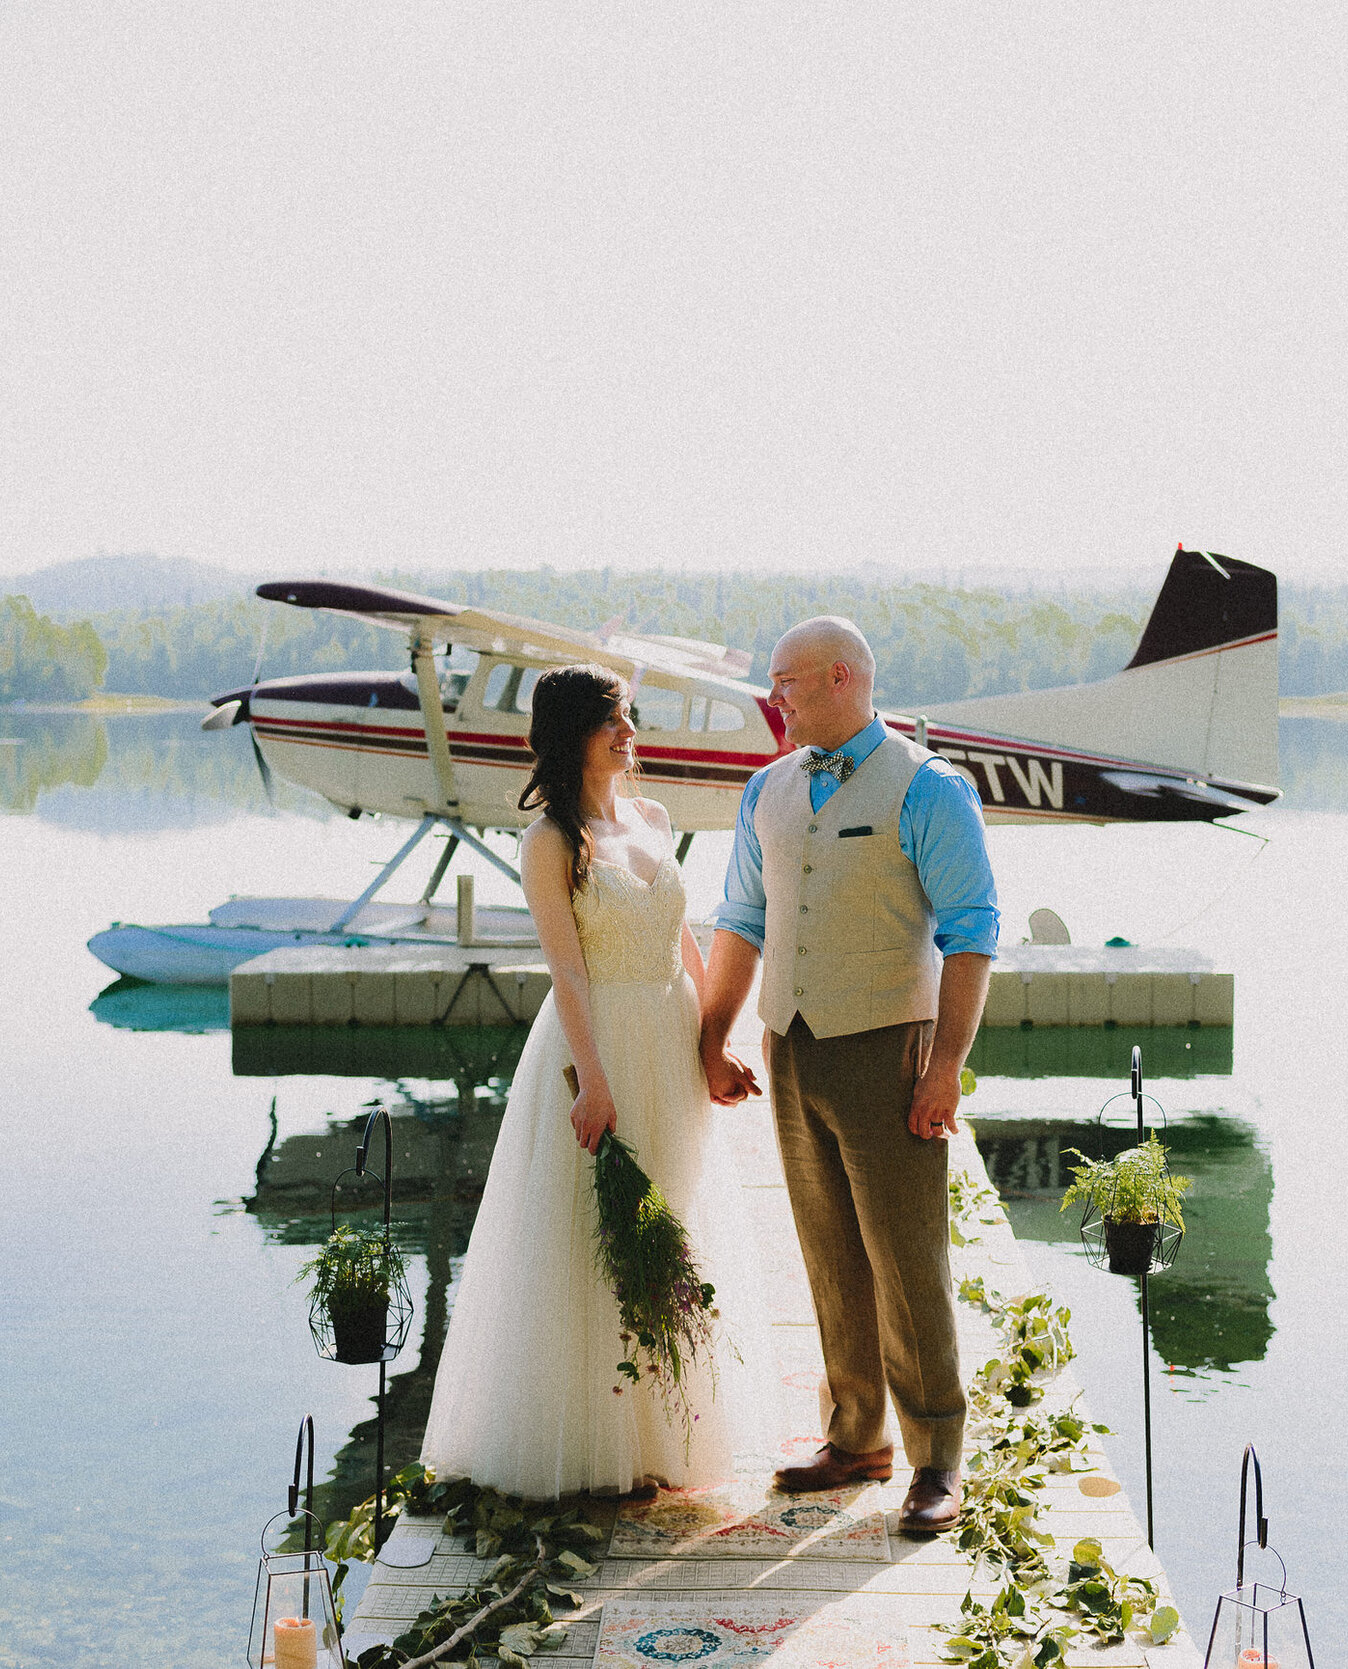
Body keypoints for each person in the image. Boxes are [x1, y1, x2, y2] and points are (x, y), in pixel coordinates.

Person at [420, 664, 762, 1499]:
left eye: (629, 717)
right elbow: (567, 974)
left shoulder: (653, 816)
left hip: (670, 1035)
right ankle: (593, 1446)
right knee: (592, 1236)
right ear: (573, 732)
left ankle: (660, 1435)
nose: (629, 732)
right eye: (612, 720)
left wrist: (714, 1041)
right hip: (599, 1041)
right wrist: (593, 1081)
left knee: (668, 1219)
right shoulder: (547, 842)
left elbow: (685, 938)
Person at [697, 616, 999, 1536]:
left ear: (840, 677)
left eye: (786, 681)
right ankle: (855, 1436)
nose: (773, 699)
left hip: (890, 1046)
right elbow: (740, 920)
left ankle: (937, 1456)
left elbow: (972, 933)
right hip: (790, 1044)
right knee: (827, 1251)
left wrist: (944, 1067)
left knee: (909, 1258)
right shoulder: (765, 790)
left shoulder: (930, 788)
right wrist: (714, 1038)